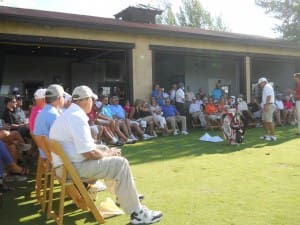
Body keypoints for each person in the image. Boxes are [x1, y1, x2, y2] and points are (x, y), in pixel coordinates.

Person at [49, 85, 163, 225]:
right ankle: (137, 214)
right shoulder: (76, 117)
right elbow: (88, 153)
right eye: (92, 99)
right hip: (71, 169)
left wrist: (105, 151)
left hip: (65, 166)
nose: (93, 103)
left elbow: (84, 148)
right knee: (120, 163)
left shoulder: (68, 114)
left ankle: (122, 197)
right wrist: (107, 154)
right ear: (85, 100)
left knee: (104, 149)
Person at [33, 84, 65, 158]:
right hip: (55, 156)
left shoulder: (42, 113)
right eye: (64, 96)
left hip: (45, 154)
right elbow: (64, 139)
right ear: (60, 98)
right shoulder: (54, 115)